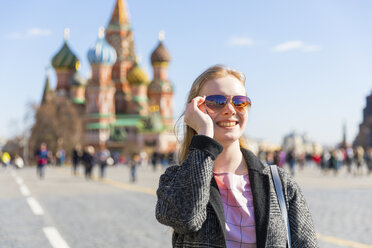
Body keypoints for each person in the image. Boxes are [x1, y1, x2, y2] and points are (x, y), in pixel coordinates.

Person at [155, 65, 318, 247]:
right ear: (195, 110)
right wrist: (203, 137)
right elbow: (186, 219)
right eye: (216, 101)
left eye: (239, 102)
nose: (230, 110)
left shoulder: (280, 184)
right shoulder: (175, 180)